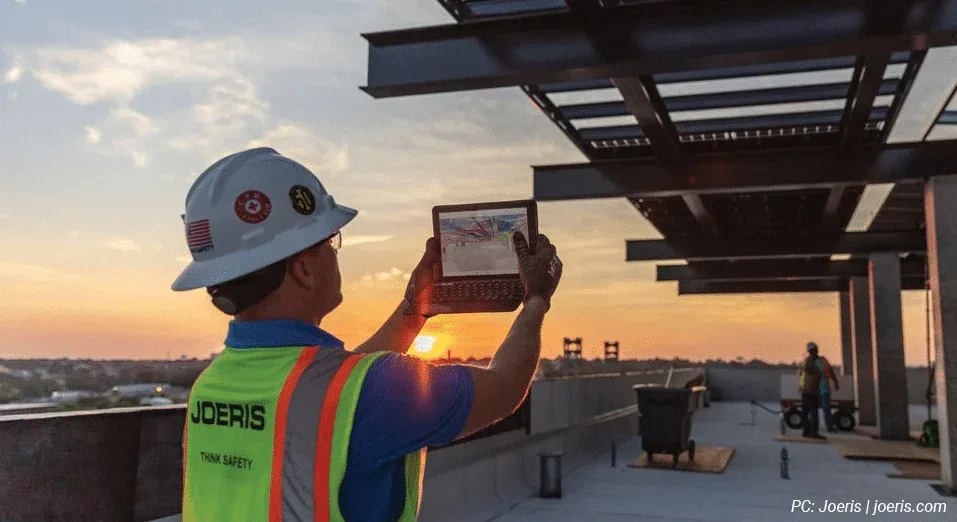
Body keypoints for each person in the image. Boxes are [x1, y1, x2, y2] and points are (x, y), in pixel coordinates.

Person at [172, 147, 563, 521]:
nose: (335, 252)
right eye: (330, 241)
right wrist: (535, 301)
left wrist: (414, 311)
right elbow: (506, 386)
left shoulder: (212, 385)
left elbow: (331, 389)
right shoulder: (376, 391)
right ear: (304, 270)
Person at [797, 342, 838, 438]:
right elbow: (804, 373)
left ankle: (809, 431)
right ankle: (811, 432)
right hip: (813, 391)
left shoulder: (814, 361)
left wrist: (835, 381)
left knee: (810, 412)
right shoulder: (812, 362)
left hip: (815, 390)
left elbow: (829, 371)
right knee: (813, 412)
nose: (813, 352)